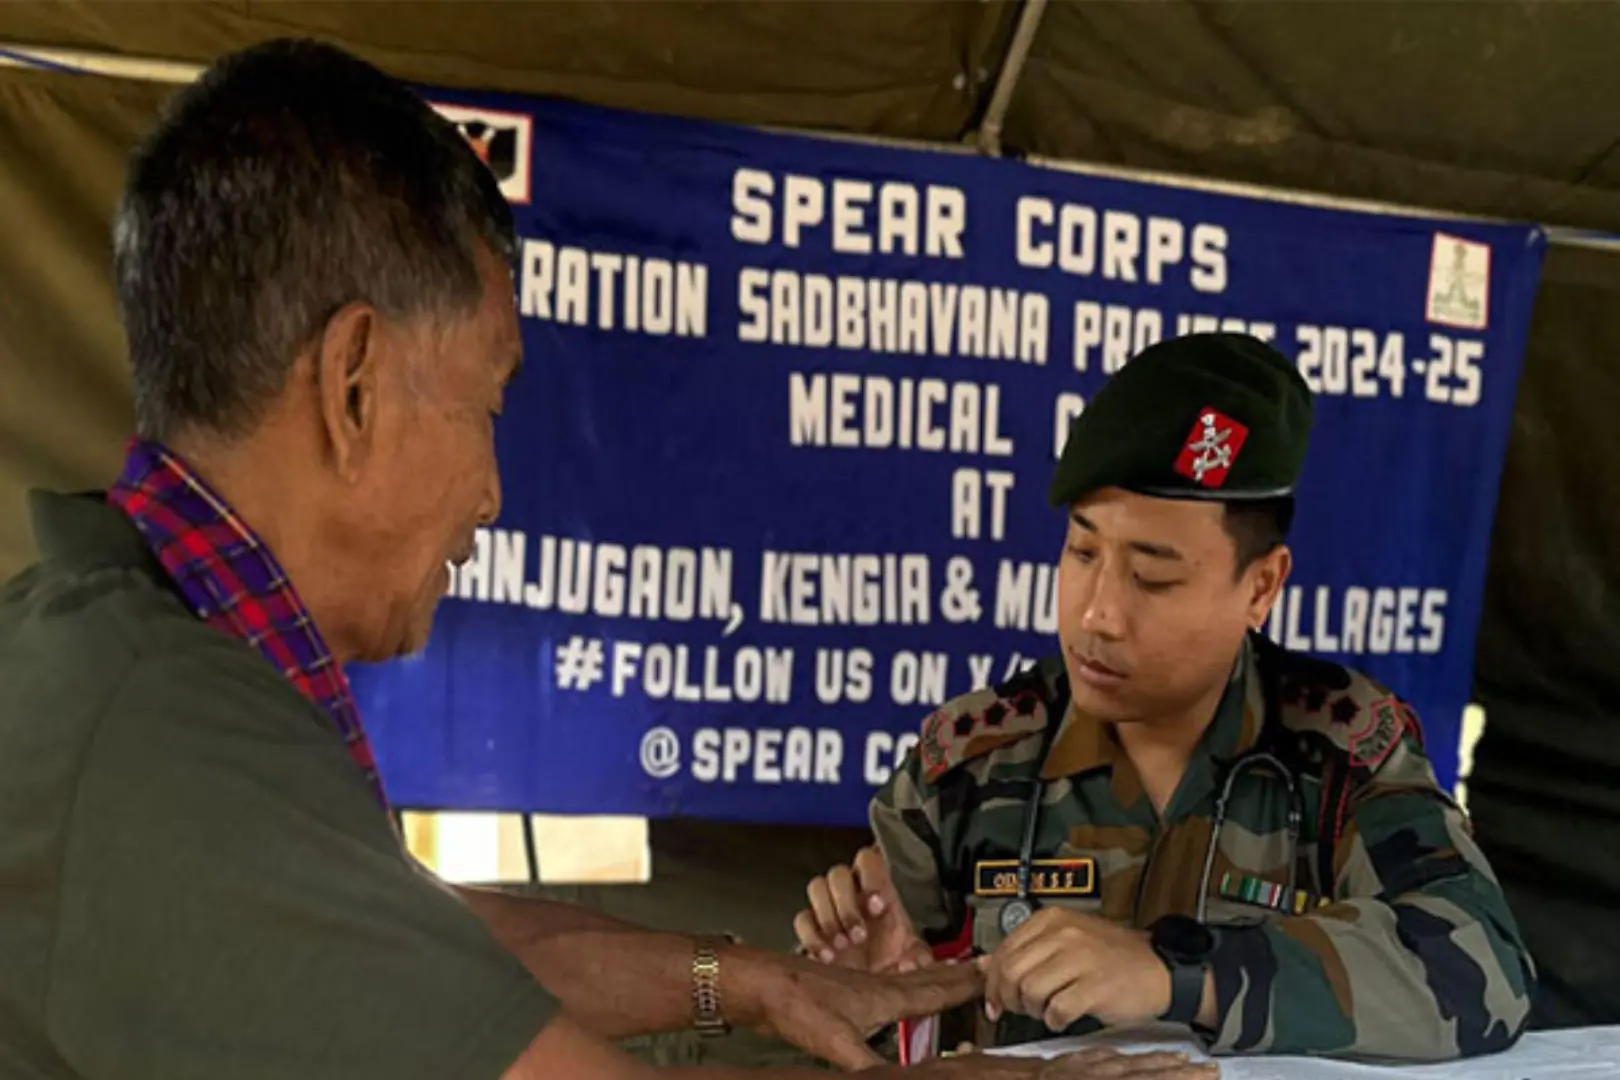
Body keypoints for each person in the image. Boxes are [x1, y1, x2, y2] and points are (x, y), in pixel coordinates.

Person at [0, 38, 1221, 1080]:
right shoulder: (158, 722)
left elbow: (412, 942)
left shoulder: (132, 649)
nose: (489, 493)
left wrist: (745, 982)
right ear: (354, 384)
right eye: (486, 406)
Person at [795, 333, 1537, 1062]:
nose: (1097, 615)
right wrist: (864, 999)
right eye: (1082, 552)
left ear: (1261, 586)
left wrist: (1182, 973)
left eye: (1152, 578)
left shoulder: (1335, 754)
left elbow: (1483, 974)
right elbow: (877, 1010)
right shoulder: (973, 765)